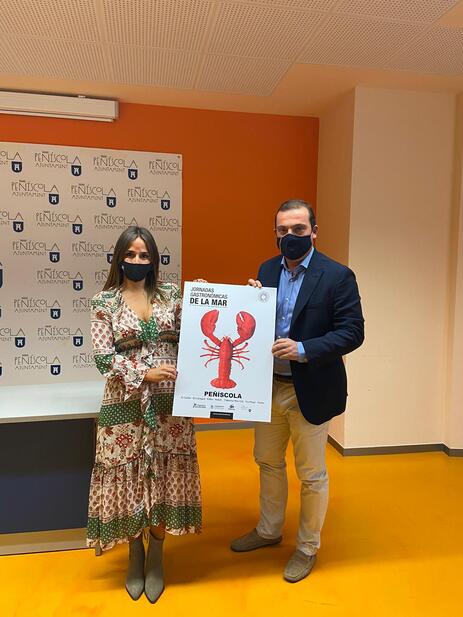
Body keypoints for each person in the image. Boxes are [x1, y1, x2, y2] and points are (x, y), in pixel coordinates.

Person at [230, 199, 364, 583]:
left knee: (311, 473)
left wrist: (304, 348)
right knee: (267, 461)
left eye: (299, 230)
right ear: (275, 233)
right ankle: (269, 530)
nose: (290, 236)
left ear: (314, 232)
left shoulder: (338, 276)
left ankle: (307, 547)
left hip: (311, 388)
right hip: (267, 387)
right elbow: (257, 324)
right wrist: (250, 301)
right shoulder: (267, 269)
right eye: (283, 230)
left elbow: (352, 332)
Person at [87, 226, 202, 603]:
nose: (137, 261)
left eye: (144, 255)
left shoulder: (171, 295)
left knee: (165, 475)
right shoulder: (103, 301)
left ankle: (157, 555)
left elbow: (198, 331)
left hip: (171, 404)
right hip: (124, 403)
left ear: (154, 260)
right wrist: (144, 373)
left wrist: (208, 300)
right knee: (131, 477)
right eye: (131, 254)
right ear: (119, 257)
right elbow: (104, 358)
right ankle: (134, 553)